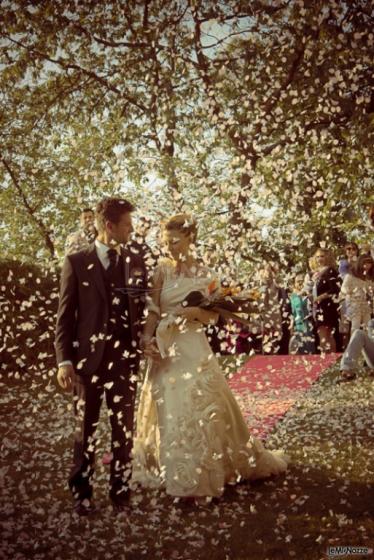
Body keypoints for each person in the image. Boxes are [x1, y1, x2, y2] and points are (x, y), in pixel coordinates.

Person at [132, 214, 288, 501]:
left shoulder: (206, 274)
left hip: (194, 343)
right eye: (165, 242)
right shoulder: (161, 271)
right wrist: (146, 338)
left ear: (190, 238)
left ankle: (211, 466)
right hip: (168, 346)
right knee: (170, 402)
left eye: (174, 241)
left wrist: (193, 314)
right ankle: (174, 467)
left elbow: (214, 317)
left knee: (206, 402)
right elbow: (153, 309)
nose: (169, 248)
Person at [55, 197, 148, 515]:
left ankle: (121, 494)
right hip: (86, 365)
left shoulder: (136, 260)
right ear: (109, 226)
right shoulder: (76, 261)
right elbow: (65, 317)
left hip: (124, 362)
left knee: (124, 431)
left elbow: (143, 308)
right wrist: (64, 360)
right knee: (85, 431)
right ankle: (82, 494)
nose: (131, 230)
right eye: (126, 224)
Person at [311, 248, 341, 353]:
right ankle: (331, 363)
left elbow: (335, 289)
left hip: (327, 307)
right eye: (318, 256)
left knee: (325, 335)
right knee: (326, 336)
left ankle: (326, 363)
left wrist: (321, 297)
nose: (320, 259)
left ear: (327, 257)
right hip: (318, 307)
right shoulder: (316, 273)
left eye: (322, 256)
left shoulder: (330, 270)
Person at [340, 254, 374, 332]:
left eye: (370, 263)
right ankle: (354, 343)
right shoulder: (351, 276)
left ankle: (367, 343)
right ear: (360, 263)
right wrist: (349, 291)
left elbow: (370, 291)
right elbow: (343, 287)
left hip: (365, 305)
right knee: (355, 326)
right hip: (354, 304)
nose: (367, 266)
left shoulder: (368, 278)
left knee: (368, 327)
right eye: (365, 263)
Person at [289, 273, 315, 354]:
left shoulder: (308, 293)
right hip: (298, 324)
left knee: (308, 345)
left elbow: (313, 302)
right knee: (299, 347)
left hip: (308, 323)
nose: (299, 283)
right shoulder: (293, 296)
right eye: (297, 281)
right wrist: (291, 325)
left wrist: (307, 293)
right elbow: (293, 312)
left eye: (301, 281)